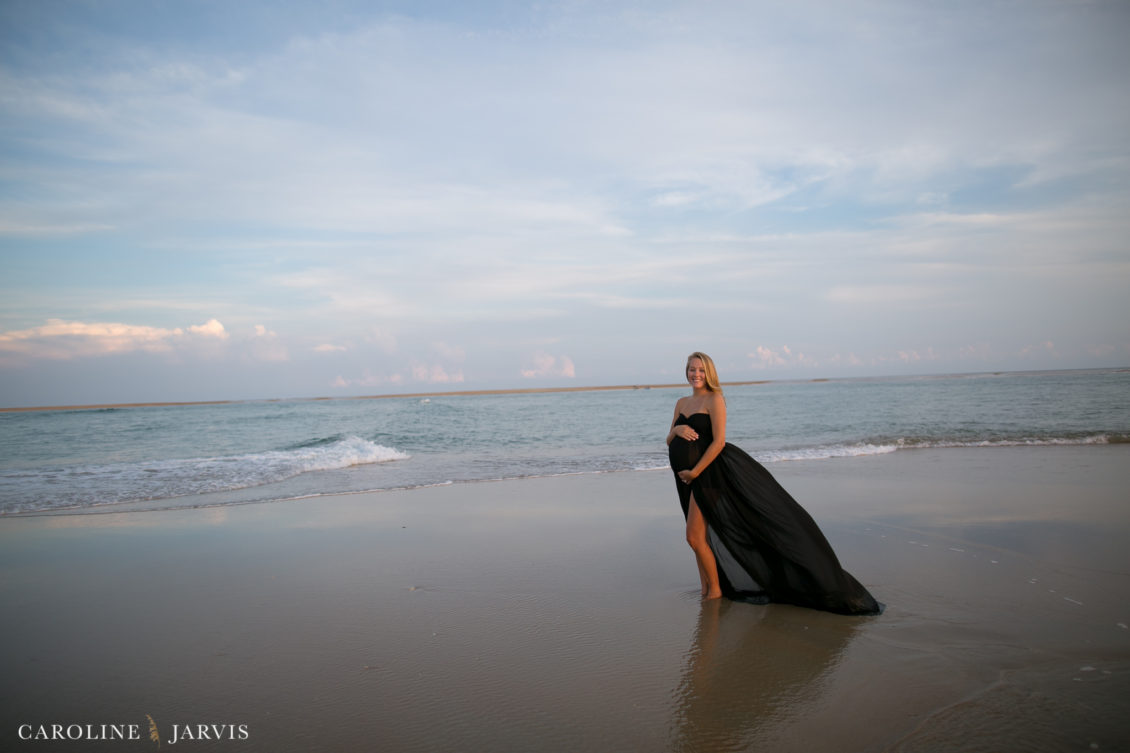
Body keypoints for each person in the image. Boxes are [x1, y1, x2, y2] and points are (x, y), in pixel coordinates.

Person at [666, 352, 881, 615]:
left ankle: (716, 591)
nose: (695, 374)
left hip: (708, 476)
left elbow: (719, 442)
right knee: (699, 538)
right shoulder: (681, 402)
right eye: (691, 370)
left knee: (693, 536)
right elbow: (668, 439)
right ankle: (706, 587)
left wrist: (696, 472)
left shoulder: (715, 399)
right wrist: (676, 431)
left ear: (709, 373)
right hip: (684, 478)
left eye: (700, 370)